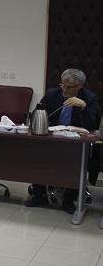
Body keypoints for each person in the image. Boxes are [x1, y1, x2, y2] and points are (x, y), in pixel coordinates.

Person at [27, 68, 100, 212]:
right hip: (52, 139)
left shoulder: (90, 98)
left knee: (76, 161)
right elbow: (37, 113)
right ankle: (40, 196)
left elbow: (91, 125)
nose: (65, 90)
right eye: (63, 85)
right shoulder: (52, 94)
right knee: (36, 155)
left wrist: (83, 107)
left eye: (69, 87)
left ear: (80, 86)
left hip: (76, 143)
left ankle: (68, 201)